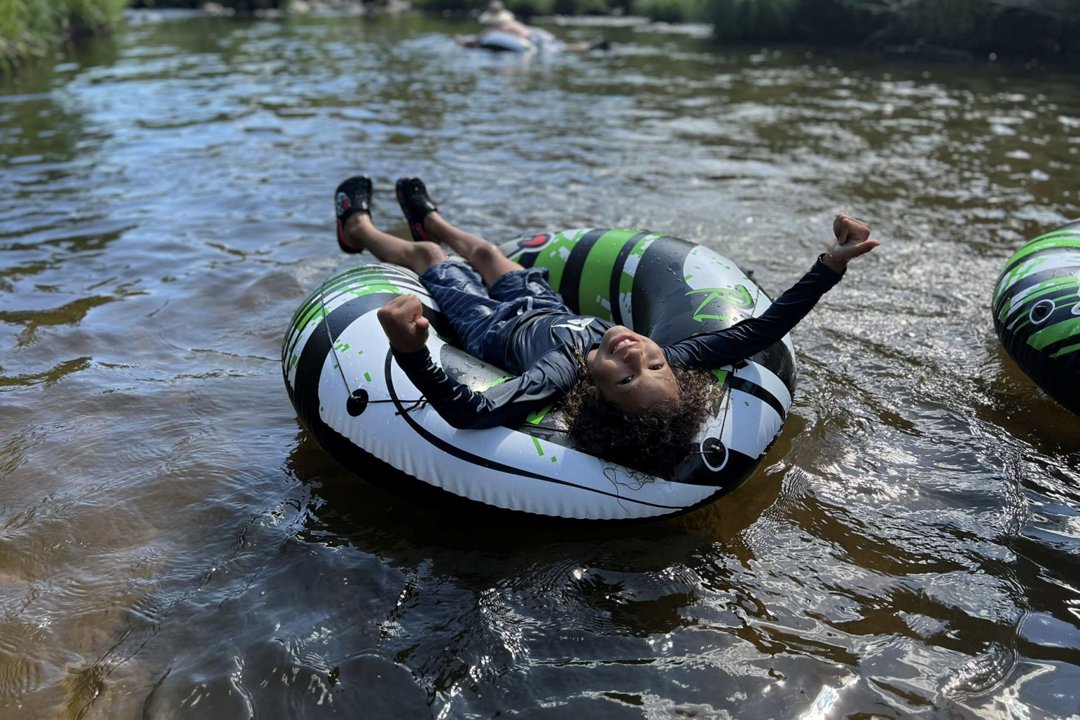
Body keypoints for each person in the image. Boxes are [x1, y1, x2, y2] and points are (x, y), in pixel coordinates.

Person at [333, 175, 879, 477]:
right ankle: (428, 214)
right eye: (652, 362)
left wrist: (412, 349)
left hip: (489, 327)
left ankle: (358, 227)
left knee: (432, 255)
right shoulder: (675, 358)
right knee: (484, 249)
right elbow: (760, 331)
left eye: (623, 375)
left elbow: (470, 411)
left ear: (595, 395)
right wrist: (831, 264)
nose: (631, 350)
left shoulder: (554, 376)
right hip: (541, 302)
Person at [456, 0, 608, 54]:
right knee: (565, 47)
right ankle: (589, 46)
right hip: (539, 33)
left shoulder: (493, 31)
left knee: (563, 50)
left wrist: (461, 42)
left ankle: (589, 47)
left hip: (534, 40)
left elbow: (475, 43)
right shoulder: (513, 24)